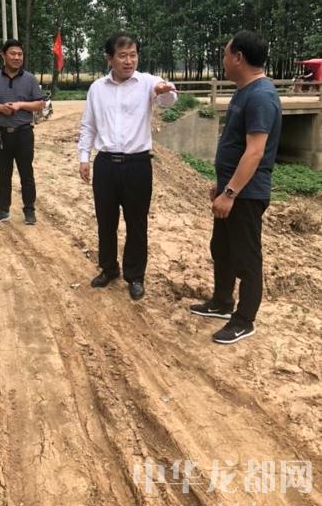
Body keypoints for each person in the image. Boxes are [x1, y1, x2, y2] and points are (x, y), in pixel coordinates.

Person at [189, 30, 281, 344]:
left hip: (246, 194)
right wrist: (222, 185)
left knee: (246, 257)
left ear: (238, 57)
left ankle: (244, 320)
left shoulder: (261, 96)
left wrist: (230, 193)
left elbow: (255, 151)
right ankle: (222, 302)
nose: (224, 60)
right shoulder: (244, 91)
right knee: (222, 248)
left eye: (226, 54)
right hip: (232, 190)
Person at [77, 32, 177, 301]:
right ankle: (109, 268)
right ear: (109, 58)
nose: (128, 60)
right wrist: (84, 157)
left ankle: (135, 276)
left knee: (136, 223)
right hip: (106, 164)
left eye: (133, 55)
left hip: (137, 165)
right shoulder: (97, 88)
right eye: (122, 55)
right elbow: (88, 125)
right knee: (105, 221)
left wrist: (164, 91)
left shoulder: (148, 83)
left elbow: (168, 99)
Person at [0, 39, 45, 225]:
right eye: (13, 54)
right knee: (4, 174)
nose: (17, 57)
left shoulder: (30, 79)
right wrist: (0, 108)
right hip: (1, 134)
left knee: (26, 173)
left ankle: (29, 210)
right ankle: (2, 210)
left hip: (24, 133)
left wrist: (20, 105)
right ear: (3, 55)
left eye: (20, 54)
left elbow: (40, 104)